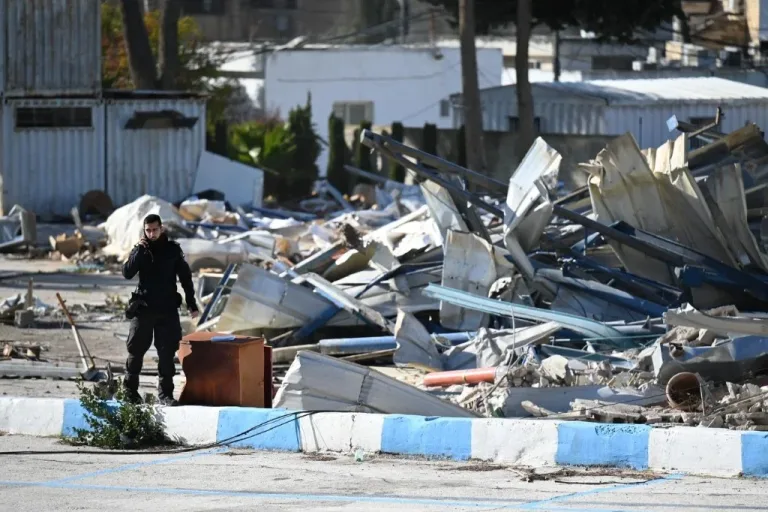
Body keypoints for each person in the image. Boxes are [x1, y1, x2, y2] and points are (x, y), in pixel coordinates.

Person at [121, 214, 199, 405]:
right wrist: (138, 250)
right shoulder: (141, 250)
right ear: (144, 231)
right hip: (144, 308)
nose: (152, 233)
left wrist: (191, 303)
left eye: (155, 229)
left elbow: (185, 278)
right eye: (148, 230)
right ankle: (130, 393)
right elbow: (127, 273)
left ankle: (165, 395)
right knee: (135, 350)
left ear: (161, 228)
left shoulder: (172, 250)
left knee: (166, 352)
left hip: (167, 309)